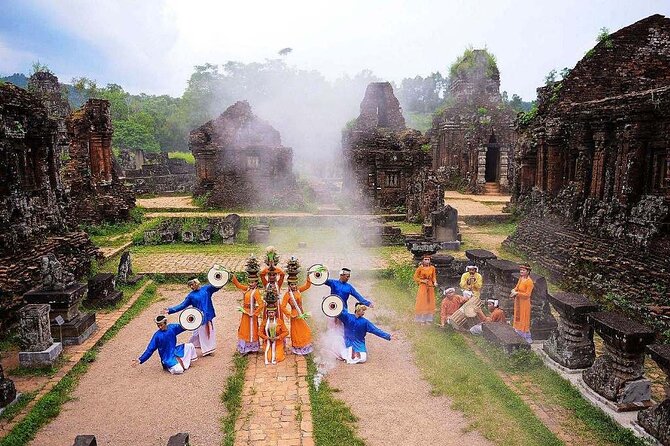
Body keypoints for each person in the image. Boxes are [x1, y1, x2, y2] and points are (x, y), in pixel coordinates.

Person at [164, 277, 221, 356]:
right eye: (189, 285)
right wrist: (170, 310)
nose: (191, 287)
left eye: (192, 284)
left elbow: (217, 286)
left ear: (196, 282)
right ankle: (207, 349)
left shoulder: (207, 289)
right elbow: (183, 305)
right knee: (202, 332)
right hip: (199, 317)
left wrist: (222, 278)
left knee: (207, 332)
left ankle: (201, 346)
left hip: (209, 314)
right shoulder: (191, 296)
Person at [133, 315, 197, 374]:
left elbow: (183, 326)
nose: (160, 327)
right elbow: (150, 349)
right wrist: (140, 359)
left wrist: (192, 320)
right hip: (167, 358)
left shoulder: (172, 327)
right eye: (158, 326)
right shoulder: (157, 336)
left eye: (161, 325)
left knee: (190, 346)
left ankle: (187, 362)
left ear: (165, 322)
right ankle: (168, 367)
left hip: (175, 351)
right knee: (179, 370)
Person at [231, 274, 264, 355]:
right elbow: (239, 286)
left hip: (251, 314)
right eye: (249, 282)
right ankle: (245, 347)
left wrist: (255, 313)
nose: (250, 284)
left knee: (251, 329)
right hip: (245, 313)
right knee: (244, 329)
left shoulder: (256, 292)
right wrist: (233, 277)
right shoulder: (248, 289)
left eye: (252, 282)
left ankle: (252, 347)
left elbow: (261, 304)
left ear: (256, 283)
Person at [281, 274, 313, 355]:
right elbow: (282, 306)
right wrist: (289, 314)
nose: (294, 286)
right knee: (297, 331)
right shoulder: (287, 295)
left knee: (305, 330)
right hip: (294, 315)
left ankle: (305, 346)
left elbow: (307, 286)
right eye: (292, 284)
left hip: (301, 313)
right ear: (289, 285)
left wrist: (308, 276)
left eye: (295, 284)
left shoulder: (298, 290)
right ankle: (298, 347)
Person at [258, 289, 289, 365]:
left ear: (275, 313)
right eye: (269, 313)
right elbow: (259, 332)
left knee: (277, 357)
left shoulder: (279, 321)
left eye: (272, 312)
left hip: (277, 342)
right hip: (268, 341)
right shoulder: (265, 322)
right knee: (268, 358)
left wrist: (278, 337)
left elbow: (286, 332)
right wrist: (266, 338)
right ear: (267, 313)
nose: (271, 314)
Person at [512, 263, 534, 343]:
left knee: (524, 318)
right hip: (518, 301)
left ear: (528, 271)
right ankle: (517, 331)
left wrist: (517, 293)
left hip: (524, 302)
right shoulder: (521, 278)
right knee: (517, 316)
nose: (521, 271)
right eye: (521, 270)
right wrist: (514, 290)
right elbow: (517, 287)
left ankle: (526, 336)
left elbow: (528, 295)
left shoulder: (529, 282)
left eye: (523, 270)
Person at [414, 254, 438, 324]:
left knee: (430, 301)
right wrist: (422, 281)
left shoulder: (432, 268)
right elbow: (415, 277)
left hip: (430, 286)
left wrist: (435, 282)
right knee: (422, 301)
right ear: (422, 260)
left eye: (428, 259)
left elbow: (434, 276)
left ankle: (428, 319)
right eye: (425, 259)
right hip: (423, 286)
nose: (427, 261)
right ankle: (421, 320)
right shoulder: (420, 268)